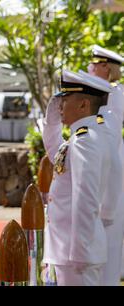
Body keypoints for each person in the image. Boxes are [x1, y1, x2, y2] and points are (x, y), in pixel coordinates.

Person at [43, 70, 112, 286]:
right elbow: (57, 156)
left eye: (65, 100)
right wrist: (51, 120)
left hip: (76, 254)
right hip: (71, 251)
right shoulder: (82, 136)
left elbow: (86, 198)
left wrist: (80, 251)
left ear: (83, 105)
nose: (60, 106)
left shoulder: (85, 141)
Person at [86, 46, 124, 285]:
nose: (90, 67)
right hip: (98, 160)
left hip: (113, 160)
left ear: (105, 68)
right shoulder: (96, 92)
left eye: (95, 64)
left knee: (111, 222)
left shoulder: (115, 92)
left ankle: (110, 277)